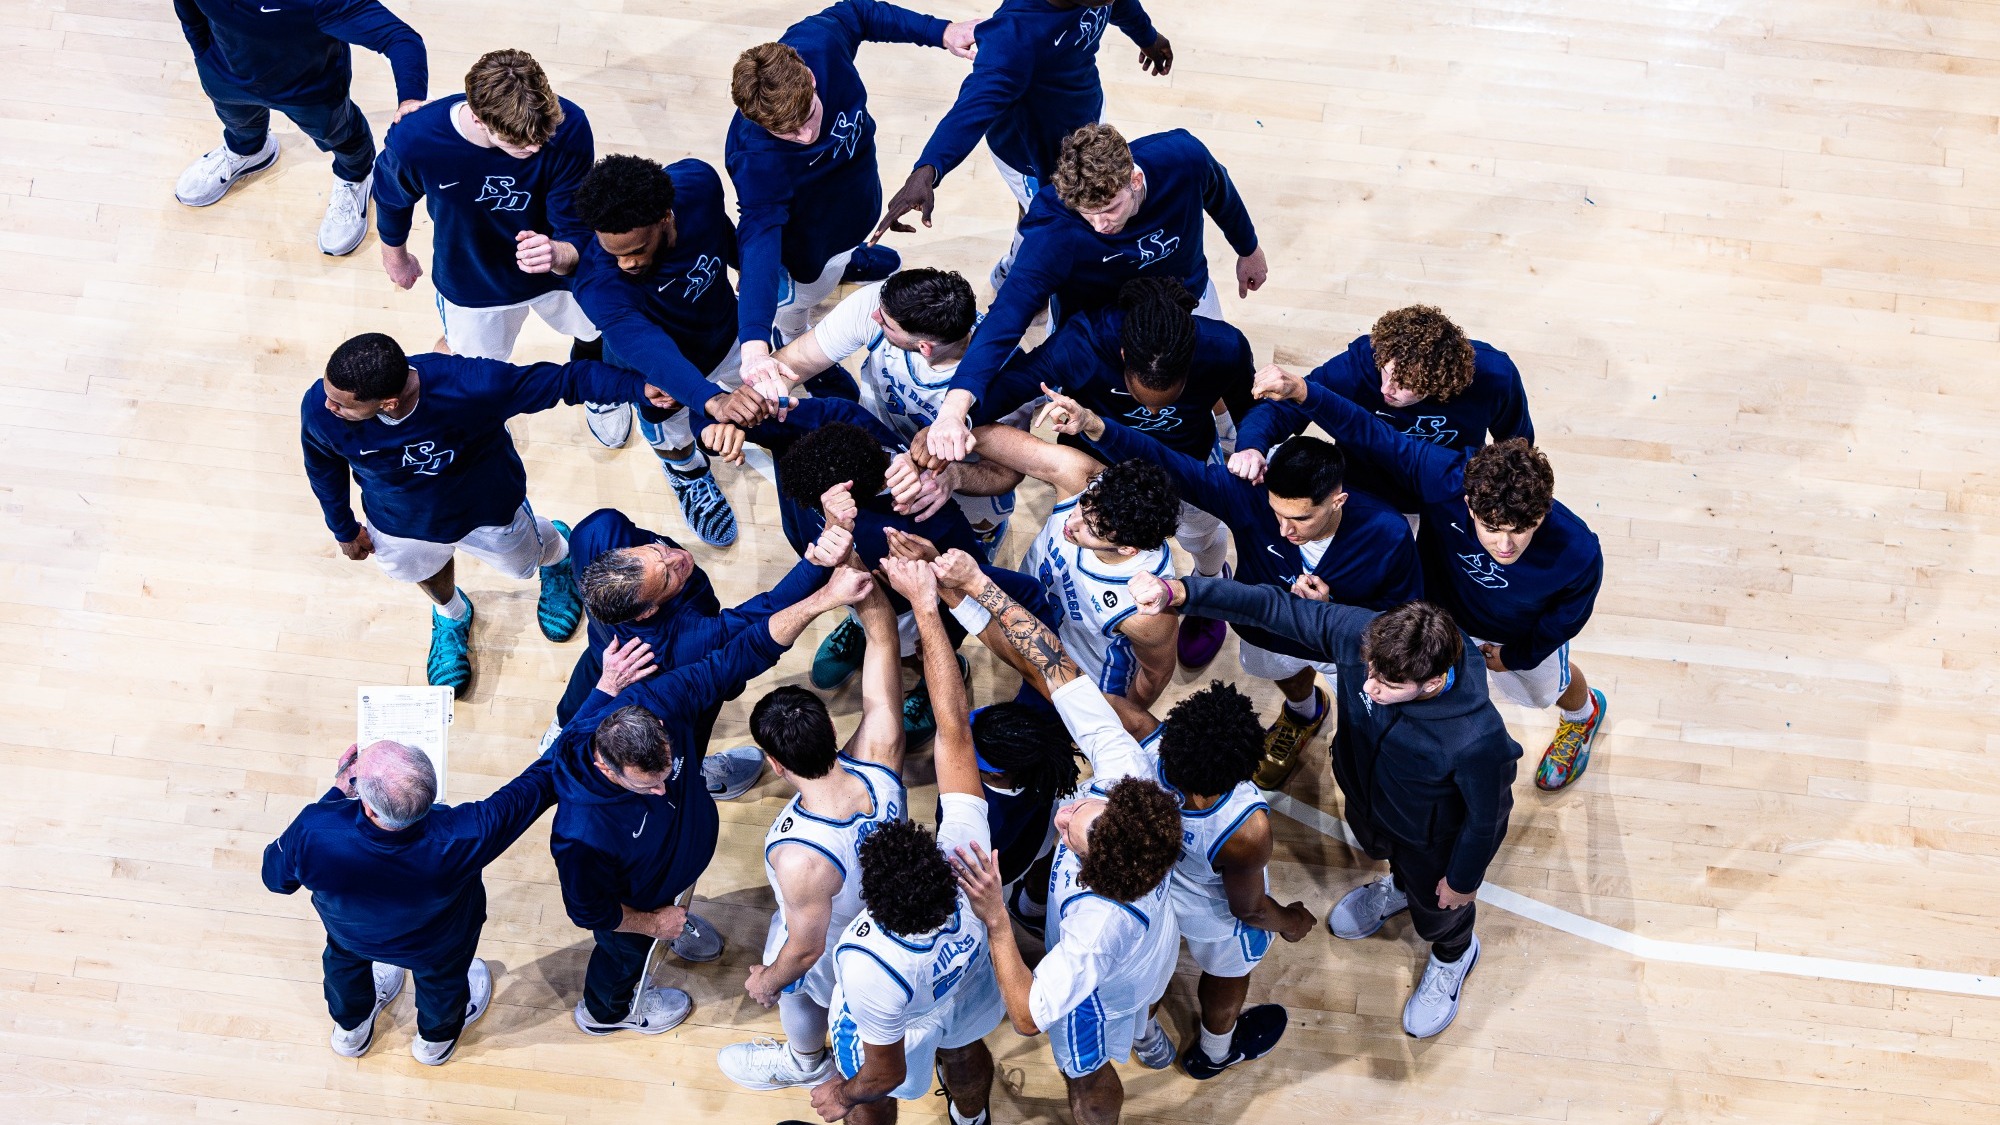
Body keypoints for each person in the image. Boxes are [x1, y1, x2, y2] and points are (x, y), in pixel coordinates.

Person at [1126, 576, 1520, 1040]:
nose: (1369, 687)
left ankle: (1454, 954)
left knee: (1439, 912)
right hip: (1368, 799)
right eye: (1369, 671)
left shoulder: (1477, 739)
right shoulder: (1364, 636)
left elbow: (1488, 818)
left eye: (1388, 683)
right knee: (1380, 851)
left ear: (1434, 681)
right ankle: (1397, 887)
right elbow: (1275, 609)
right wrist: (1183, 593)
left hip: (1431, 839)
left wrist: (1462, 879)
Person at [547, 566, 876, 1036]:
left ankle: (674, 919)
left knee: (672, 902)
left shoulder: (661, 698)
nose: (666, 790)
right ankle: (609, 1012)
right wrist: (651, 922)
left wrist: (823, 598)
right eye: (649, 786)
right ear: (607, 769)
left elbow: (743, 652)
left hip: (676, 867)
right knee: (623, 956)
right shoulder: (580, 836)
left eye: (668, 772)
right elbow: (589, 912)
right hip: (638, 904)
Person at [1041, 384, 1421, 787]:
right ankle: (1303, 713)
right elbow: (1169, 464)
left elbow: (1404, 619)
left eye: (1301, 519)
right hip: (1267, 634)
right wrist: (1095, 426)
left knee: (1375, 720)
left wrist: (1333, 609)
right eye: (1277, 513)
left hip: (1345, 649)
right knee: (1287, 676)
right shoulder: (1249, 495)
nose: (1285, 530)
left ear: (1338, 501)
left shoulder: (1388, 533)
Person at [1252, 366, 1607, 791]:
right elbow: (1371, 432)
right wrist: (1305, 391)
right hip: (1439, 617)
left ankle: (1582, 714)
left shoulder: (1580, 551)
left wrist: (1516, 656)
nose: (1506, 547)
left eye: (1522, 530)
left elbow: (1565, 621)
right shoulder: (1446, 479)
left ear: (1543, 512)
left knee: (1547, 689)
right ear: (1470, 503)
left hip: (1515, 638)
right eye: (1492, 528)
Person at [936, 554, 1184, 1125]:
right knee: (1140, 998)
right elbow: (1058, 668)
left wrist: (997, 918)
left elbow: (1025, 1015)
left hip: (1107, 989)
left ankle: (1129, 1048)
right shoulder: (1130, 775)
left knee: (1087, 1075)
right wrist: (974, 590)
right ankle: (1145, 1033)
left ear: (1101, 874)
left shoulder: (1094, 932)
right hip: (1153, 949)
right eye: (1085, 807)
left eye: (1074, 832)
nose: (1065, 813)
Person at [299, 332, 676, 695]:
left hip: (489, 510)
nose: (328, 406)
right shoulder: (320, 406)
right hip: (398, 522)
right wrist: (343, 528)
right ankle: (451, 614)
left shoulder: (474, 385)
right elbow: (321, 463)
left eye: (342, 404)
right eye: (329, 394)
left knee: (522, 564)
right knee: (421, 570)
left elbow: (566, 380)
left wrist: (638, 388)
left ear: (389, 403)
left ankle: (557, 556)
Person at [958, 276, 1256, 670]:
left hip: (1185, 463)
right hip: (1098, 461)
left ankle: (1212, 583)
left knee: (1201, 535)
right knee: (1092, 537)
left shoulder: (1224, 347)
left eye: (1166, 399)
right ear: (1122, 355)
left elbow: (1250, 411)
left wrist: (1253, 445)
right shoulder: (1082, 341)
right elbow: (1011, 386)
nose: (1150, 414)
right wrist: (951, 421)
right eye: (1140, 398)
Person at [924, 122, 1267, 462]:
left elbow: (1219, 191)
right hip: (1095, 328)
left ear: (1135, 180)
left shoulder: (1183, 157)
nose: (1100, 226)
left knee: (1209, 368)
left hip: (1188, 298)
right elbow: (1008, 315)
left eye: (1110, 209)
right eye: (1087, 215)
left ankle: (1226, 430)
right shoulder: (1055, 230)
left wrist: (1248, 249)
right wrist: (955, 407)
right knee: (1102, 393)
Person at [701, 403, 1049, 736]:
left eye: (821, 506)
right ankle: (857, 629)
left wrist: (932, 576)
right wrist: (722, 424)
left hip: (905, 606)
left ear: (847, 496)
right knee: (853, 604)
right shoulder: (835, 421)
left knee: (921, 642)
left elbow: (969, 585)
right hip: (843, 585)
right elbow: (755, 414)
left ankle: (941, 675)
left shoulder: (928, 516)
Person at [810, 556, 1005, 1125]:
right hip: (967, 982)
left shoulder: (867, 957)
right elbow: (953, 732)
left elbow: (884, 1075)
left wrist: (843, 1096)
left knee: (871, 1096)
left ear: (876, 901)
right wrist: (925, 609)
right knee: (966, 1053)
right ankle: (973, 1120)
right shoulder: (969, 865)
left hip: (902, 1011)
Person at [716, 576, 908, 1091]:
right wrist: (856, 566)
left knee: (799, 993)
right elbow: (884, 637)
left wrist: (768, 981)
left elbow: (805, 949)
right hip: (895, 913)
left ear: (776, 765)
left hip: (842, 940)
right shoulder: (881, 747)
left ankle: (804, 1064)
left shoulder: (801, 857)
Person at [261, 740, 554, 1065]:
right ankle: (434, 1043)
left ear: (369, 807)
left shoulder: (315, 830)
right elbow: (543, 780)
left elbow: (276, 878)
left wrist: (336, 793)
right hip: (438, 945)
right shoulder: (468, 833)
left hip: (351, 935)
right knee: (443, 984)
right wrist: (603, 693)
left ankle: (350, 1029)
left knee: (343, 967)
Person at [726, 1, 978, 374]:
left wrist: (939, 32)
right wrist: (753, 346)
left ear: (811, 78)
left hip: (855, 200)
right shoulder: (754, 158)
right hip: (809, 246)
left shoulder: (820, 44)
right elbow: (759, 240)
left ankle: (847, 260)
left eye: (809, 115)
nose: (807, 135)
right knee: (804, 296)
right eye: (788, 133)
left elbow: (859, 14)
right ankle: (791, 334)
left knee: (846, 248)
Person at [550, 507, 858, 801]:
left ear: (620, 553)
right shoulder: (687, 642)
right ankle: (691, 776)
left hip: (610, 656)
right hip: (667, 681)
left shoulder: (596, 530)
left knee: (593, 671)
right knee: (677, 746)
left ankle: (564, 728)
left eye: (657, 551)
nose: (678, 558)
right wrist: (818, 559)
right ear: (648, 612)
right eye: (668, 577)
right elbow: (767, 609)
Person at [876, 0, 1172, 285]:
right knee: (1043, 221)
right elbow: (972, 108)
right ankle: (1013, 274)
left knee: (1077, 214)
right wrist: (928, 169)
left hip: (1086, 115)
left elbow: (1119, 4)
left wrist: (1148, 36)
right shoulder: (1013, 36)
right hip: (1029, 153)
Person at [760, 267, 1028, 557]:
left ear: (924, 347)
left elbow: (1006, 472)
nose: (875, 317)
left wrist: (954, 477)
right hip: (879, 453)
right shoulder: (883, 304)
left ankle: (983, 535)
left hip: (957, 477)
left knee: (973, 529)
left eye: (886, 323)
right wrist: (753, 403)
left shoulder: (1009, 378)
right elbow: (795, 362)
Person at [570, 154, 765, 546]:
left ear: (665, 215)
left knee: (758, 402)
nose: (626, 263)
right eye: (614, 252)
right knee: (668, 430)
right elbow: (649, 349)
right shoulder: (599, 282)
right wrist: (710, 400)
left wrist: (743, 262)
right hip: (657, 372)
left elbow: (718, 226)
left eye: (636, 249)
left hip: (727, 334)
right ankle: (687, 473)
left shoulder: (698, 182)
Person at [373, 50, 600, 367]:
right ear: (479, 120)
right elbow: (390, 199)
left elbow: (576, 223)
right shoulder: (415, 139)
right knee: (472, 367)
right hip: (473, 281)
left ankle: (600, 393)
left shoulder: (569, 124)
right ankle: (477, 416)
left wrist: (559, 254)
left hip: (558, 273)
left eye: (542, 137)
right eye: (521, 144)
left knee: (600, 332)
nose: (536, 148)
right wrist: (394, 258)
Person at [171, 0, 425, 255]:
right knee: (239, 125)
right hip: (226, 79)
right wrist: (202, 53)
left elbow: (398, 37)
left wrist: (410, 98)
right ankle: (248, 152)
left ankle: (355, 177)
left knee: (343, 139)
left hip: (310, 92)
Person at [961, 422, 1181, 710]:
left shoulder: (1146, 609)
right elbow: (1000, 442)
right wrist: (952, 434)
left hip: (1075, 679)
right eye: (1085, 503)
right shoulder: (1086, 480)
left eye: (1091, 528)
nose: (1072, 522)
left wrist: (1122, 722)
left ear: (1127, 548)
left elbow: (1156, 674)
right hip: (1029, 618)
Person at [1229, 305, 1534, 513]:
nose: (1386, 389)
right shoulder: (1364, 361)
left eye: (1405, 384)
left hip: (1445, 489)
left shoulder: (1495, 377)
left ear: (1440, 383)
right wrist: (1251, 446)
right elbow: (1291, 403)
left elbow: (1517, 446)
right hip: (1362, 488)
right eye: (1387, 373)